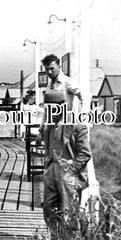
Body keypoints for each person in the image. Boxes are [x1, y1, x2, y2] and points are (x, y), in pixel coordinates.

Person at [42, 91, 91, 227]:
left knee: (68, 213)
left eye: (52, 108)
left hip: (69, 174)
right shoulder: (50, 126)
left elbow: (85, 154)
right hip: (51, 171)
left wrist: (71, 172)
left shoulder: (77, 125)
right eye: (47, 108)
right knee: (48, 208)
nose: (49, 112)